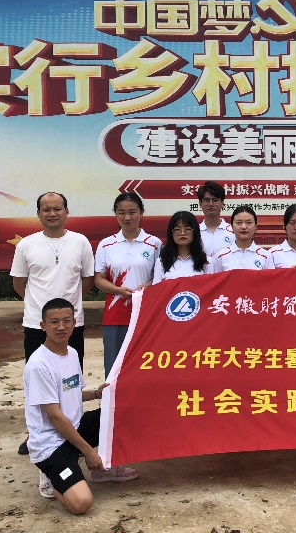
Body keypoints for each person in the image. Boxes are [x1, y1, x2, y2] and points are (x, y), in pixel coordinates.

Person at [25, 298, 138, 514]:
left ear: (74, 323)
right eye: (54, 322)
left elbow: (72, 392)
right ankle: (52, 478)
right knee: (81, 503)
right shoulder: (39, 365)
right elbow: (54, 416)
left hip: (75, 427)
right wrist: (88, 451)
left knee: (123, 415)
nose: (61, 327)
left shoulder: (72, 353)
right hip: (52, 443)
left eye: (67, 321)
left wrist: (96, 394)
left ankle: (105, 469)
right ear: (43, 326)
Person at [11, 191, 95, 455]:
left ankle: (73, 429)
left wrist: (66, 313)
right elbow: (19, 283)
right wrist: (43, 313)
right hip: (36, 325)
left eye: (57, 208)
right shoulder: (26, 245)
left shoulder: (80, 242)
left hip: (72, 325)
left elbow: (88, 279)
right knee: (37, 382)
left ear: (66, 211)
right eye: (46, 209)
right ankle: (35, 435)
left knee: (70, 380)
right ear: (38, 213)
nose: (52, 213)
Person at [93, 192, 161, 379]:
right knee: (114, 366)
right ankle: (112, 398)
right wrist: (117, 290)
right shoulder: (106, 245)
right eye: (121, 212)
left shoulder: (154, 244)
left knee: (144, 365)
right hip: (115, 313)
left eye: (132, 212)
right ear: (115, 213)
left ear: (141, 212)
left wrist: (146, 287)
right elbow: (99, 278)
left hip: (145, 313)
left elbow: (160, 276)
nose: (127, 218)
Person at [212, 205, 274, 272]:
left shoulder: (265, 256)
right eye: (239, 222)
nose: (243, 227)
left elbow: (271, 278)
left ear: (255, 227)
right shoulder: (221, 256)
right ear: (232, 226)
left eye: (249, 222)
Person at [155, 211, 212, 281]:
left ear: (195, 232)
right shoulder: (162, 261)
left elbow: (211, 286)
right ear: (171, 233)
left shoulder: (206, 261)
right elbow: (157, 287)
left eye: (187, 229)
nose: (182, 233)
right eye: (177, 229)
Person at [197, 181, 235, 258]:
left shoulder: (233, 231)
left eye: (215, 200)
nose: (211, 204)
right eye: (207, 200)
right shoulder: (195, 232)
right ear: (200, 203)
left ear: (222, 203)